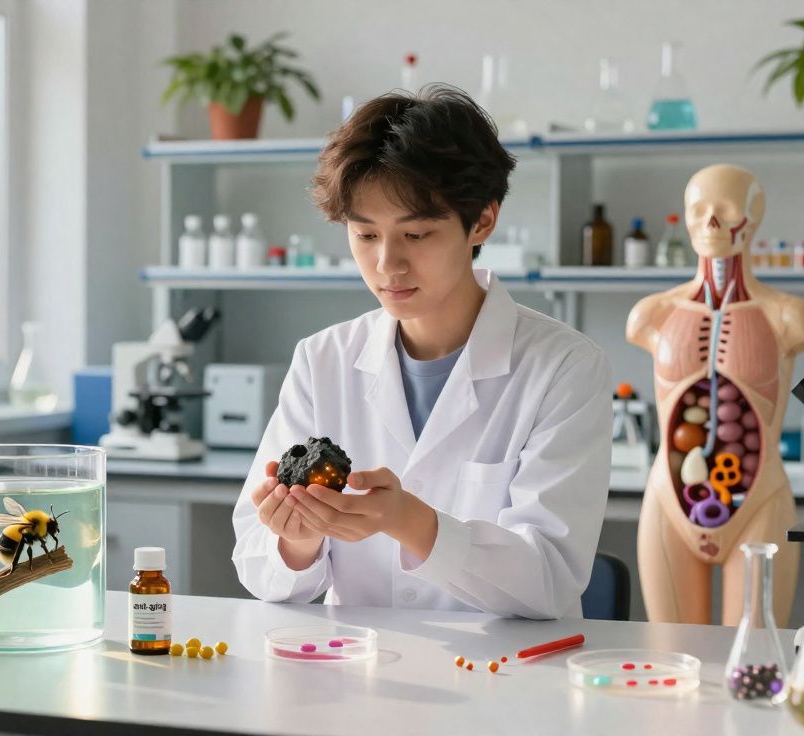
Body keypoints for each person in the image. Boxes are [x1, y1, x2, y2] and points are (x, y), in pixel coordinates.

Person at [230, 85, 612, 618]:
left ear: (482, 220)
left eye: (417, 234)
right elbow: (257, 563)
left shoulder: (564, 367)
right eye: (365, 236)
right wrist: (297, 539)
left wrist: (410, 521)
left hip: (506, 684)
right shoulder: (323, 361)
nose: (388, 265)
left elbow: (549, 580)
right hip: (357, 674)